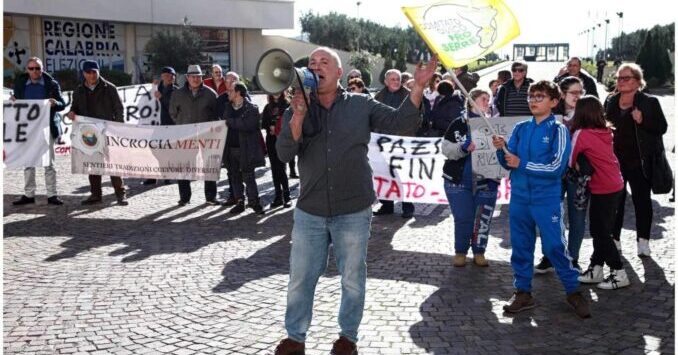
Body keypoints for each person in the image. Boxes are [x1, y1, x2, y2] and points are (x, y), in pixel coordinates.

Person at [273, 46, 437, 355]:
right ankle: (295, 337)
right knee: (300, 278)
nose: (316, 66)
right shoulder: (296, 107)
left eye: (324, 62)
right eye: (312, 62)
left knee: (352, 277)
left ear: (339, 73)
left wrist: (417, 86)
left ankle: (348, 337)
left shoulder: (361, 104)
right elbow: (284, 154)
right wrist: (297, 117)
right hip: (311, 209)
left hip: (354, 208)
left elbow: (402, 124)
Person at [492, 80, 590, 319]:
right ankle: (523, 292)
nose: (534, 100)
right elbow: (508, 160)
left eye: (540, 97)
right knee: (521, 247)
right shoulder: (521, 128)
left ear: (554, 102)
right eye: (531, 96)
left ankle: (573, 291)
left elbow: (557, 168)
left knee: (555, 246)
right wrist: (500, 149)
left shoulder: (559, 130)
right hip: (520, 198)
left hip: (546, 199)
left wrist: (521, 163)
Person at [606, 63, 668, 257]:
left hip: (640, 161)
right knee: (616, 201)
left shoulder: (649, 102)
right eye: (619, 78)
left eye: (626, 78)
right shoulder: (610, 101)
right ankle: (615, 239)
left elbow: (661, 127)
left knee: (642, 201)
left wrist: (643, 121)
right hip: (615, 161)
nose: (622, 82)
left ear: (638, 81)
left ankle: (643, 241)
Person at [570, 96, 630, 290]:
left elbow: (569, 160)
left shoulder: (581, 133)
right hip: (616, 183)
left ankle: (619, 272)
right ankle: (596, 268)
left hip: (602, 186)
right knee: (602, 228)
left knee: (600, 231)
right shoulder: (605, 130)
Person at [534, 76, 587, 273]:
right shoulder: (549, 116)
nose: (578, 96)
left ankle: (572, 258)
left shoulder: (586, 115)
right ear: (562, 95)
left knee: (577, 216)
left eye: (580, 92)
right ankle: (549, 255)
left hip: (577, 174)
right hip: (552, 174)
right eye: (574, 92)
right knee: (550, 216)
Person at [442, 89, 498, 267]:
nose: (487, 102)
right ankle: (460, 252)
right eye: (483, 99)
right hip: (458, 180)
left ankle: (479, 252)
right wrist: (462, 148)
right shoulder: (458, 124)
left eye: (489, 99)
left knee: (483, 218)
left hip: (487, 180)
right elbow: (446, 149)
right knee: (463, 217)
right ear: (471, 101)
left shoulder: (495, 124)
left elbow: (505, 152)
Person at [67, 60, 128, 206]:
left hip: (108, 131)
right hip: (89, 133)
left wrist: (117, 128)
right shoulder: (79, 90)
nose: (92, 75)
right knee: (93, 164)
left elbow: (119, 109)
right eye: (89, 72)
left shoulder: (110, 88)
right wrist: (72, 113)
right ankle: (96, 194)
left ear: (99, 71)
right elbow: (74, 107)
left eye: (94, 71)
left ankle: (120, 194)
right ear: (84, 74)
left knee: (114, 164)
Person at [11, 57, 67, 206]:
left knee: (49, 164)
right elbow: (16, 101)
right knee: (28, 163)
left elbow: (63, 104)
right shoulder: (20, 83)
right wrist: (13, 101)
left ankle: (52, 195)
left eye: (37, 68)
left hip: (46, 128)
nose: (34, 71)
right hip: (27, 128)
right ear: (27, 70)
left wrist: (56, 103)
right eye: (31, 68)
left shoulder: (51, 84)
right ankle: (29, 195)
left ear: (42, 69)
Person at [169, 64, 220, 206]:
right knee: (183, 166)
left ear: (201, 78)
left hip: (206, 136)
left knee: (209, 165)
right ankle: (184, 197)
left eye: (198, 77)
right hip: (185, 136)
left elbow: (216, 114)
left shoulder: (210, 94)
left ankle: (211, 197)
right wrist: (182, 123)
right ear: (187, 77)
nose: (196, 79)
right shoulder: (178, 94)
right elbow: (173, 113)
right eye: (193, 76)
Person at [373, 69, 415, 218]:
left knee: (404, 175)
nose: (396, 82)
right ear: (386, 81)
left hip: (403, 142)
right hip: (384, 142)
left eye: (398, 79)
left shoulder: (409, 95)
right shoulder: (378, 96)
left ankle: (407, 206)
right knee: (384, 174)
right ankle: (387, 204)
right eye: (392, 79)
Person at [222, 82, 266, 214]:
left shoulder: (252, 108)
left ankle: (254, 202)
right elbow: (225, 121)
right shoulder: (227, 107)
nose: (228, 93)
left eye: (231, 91)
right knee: (234, 176)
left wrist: (230, 122)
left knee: (248, 176)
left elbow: (247, 125)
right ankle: (240, 201)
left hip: (245, 149)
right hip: (230, 148)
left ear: (238, 93)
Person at [143, 66, 179, 186]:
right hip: (154, 125)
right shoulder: (155, 88)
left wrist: (162, 98)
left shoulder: (176, 91)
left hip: (169, 125)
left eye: (172, 76)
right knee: (153, 148)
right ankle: (153, 175)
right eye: (168, 75)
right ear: (162, 77)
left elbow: (174, 107)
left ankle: (167, 175)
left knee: (167, 150)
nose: (170, 78)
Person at [261, 92, 291, 209]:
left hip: (282, 140)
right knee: (274, 168)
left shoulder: (287, 105)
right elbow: (263, 123)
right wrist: (270, 127)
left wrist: (278, 128)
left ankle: (287, 196)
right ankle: (278, 196)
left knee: (282, 168)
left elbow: (290, 122)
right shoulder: (268, 107)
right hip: (271, 140)